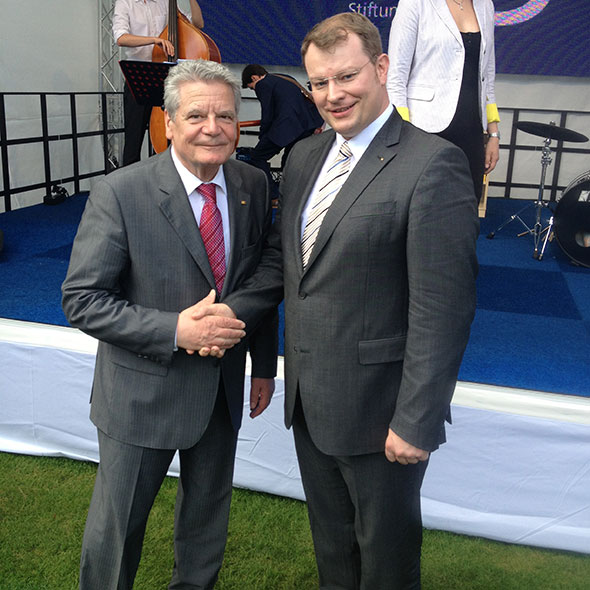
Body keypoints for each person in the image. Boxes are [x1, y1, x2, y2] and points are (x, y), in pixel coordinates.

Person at [202, 12, 479, 589]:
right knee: (333, 550)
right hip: (310, 401)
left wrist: (417, 419)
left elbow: (442, 308)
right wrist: (232, 311)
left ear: (381, 68)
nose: (333, 95)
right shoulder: (304, 156)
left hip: (382, 412)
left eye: (346, 77)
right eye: (319, 83)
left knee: (385, 560)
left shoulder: (433, 165)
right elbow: (288, 262)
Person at [62, 59, 278, 590]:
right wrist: (176, 331)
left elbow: (259, 281)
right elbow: (83, 299)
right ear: (170, 123)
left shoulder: (253, 182)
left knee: (206, 525)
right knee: (118, 532)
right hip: (141, 396)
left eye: (225, 116)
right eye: (197, 115)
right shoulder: (122, 192)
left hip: (222, 394)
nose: (213, 127)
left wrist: (264, 366)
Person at [387, 0, 500, 203]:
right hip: (423, 131)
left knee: (466, 209)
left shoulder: (485, 5)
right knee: (422, 208)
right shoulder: (415, 3)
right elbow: (396, 78)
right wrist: (401, 133)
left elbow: (487, 74)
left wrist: (493, 134)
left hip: (471, 132)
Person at [113, 0, 205, 166]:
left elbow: (197, 23)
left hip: (166, 78)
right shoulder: (125, 3)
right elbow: (121, 37)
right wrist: (154, 40)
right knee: (134, 138)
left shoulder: (165, 2)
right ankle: (128, 185)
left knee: (170, 136)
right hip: (138, 77)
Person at [240, 64, 324, 188]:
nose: (254, 90)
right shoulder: (284, 77)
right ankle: (288, 191)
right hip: (305, 126)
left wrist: (262, 135)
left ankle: (271, 192)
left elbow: (267, 113)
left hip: (286, 128)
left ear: (254, 78)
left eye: (252, 88)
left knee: (258, 156)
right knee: (289, 161)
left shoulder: (262, 84)